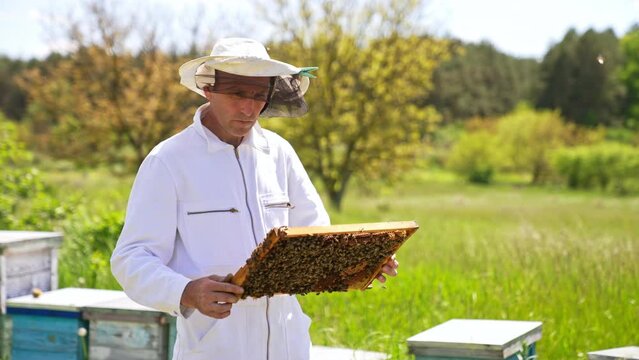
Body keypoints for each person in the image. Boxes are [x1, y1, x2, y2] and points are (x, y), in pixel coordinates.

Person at [110, 37, 399, 360]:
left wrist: (361, 260)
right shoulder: (168, 160)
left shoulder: (279, 153)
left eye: (259, 96)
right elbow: (131, 258)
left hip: (288, 345)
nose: (249, 108)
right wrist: (187, 292)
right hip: (215, 346)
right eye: (237, 94)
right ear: (209, 88)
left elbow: (315, 236)